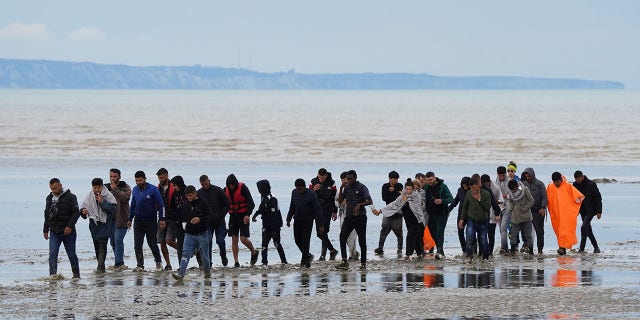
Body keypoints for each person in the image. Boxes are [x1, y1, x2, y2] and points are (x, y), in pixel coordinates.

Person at [373, 178, 424, 260]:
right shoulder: (402, 196)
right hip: (408, 219)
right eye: (407, 189)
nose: (408, 191)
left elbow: (416, 207)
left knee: (411, 236)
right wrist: (381, 210)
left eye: (410, 189)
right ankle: (420, 253)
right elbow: (394, 204)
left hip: (417, 219)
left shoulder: (417, 196)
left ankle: (408, 254)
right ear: (405, 188)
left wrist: (407, 201)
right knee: (416, 236)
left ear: (413, 189)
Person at [172, 185, 212, 280]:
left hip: (202, 233)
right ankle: (181, 274)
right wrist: (181, 224)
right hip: (189, 234)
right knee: (185, 253)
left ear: (195, 194)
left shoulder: (203, 203)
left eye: (190, 195)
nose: (189, 197)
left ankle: (207, 273)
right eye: (187, 196)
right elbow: (181, 217)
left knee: (204, 255)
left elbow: (210, 217)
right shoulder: (185, 205)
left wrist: (200, 219)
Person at [43, 178, 81, 278]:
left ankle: (76, 275)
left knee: (72, 254)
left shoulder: (71, 197)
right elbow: (46, 213)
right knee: (53, 254)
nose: (54, 191)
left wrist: (69, 226)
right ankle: (53, 276)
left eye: (55, 188)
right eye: (52, 189)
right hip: (54, 231)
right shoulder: (49, 198)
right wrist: (45, 229)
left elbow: (76, 213)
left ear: (60, 185)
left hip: (68, 232)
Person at [128, 170, 165, 272]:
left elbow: (161, 205)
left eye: (140, 180)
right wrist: (129, 219)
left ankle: (158, 262)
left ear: (145, 179)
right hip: (138, 221)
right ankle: (140, 265)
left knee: (152, 243)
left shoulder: (153, 189)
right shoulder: (135, 189)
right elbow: (133, 205)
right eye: (136, 180)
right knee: (137, 244)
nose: (138, 182)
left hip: (151, 220)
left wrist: (162, 219)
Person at [335, 170, 372, 270]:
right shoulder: (346, 188)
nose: (349, 181)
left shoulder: (362, 187)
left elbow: (369, 201)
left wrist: (359, 205)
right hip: (349, 217)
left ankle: (363, 263)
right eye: (347, 179)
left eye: (350, 179)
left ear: (355, 177)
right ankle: (344, 261)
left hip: (360, 218)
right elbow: (340, 201)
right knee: (342, 237)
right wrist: (342, 188)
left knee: (362, 240)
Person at [80, 178, 117, 273]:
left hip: (105, 224)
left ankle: (100, 267)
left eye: (99, 187)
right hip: (94, 225)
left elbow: (113, 210)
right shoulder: (90, 195)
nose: (97, 190)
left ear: (102, 186)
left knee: (102, 244)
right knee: (96, 245)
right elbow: (83, 206)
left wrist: (103, 202)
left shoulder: (108, 195)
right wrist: (83, 211)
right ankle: (101, 265)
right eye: (95, 188)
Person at [286, 178, 324, 268]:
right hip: (297, 220)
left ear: (304, 187)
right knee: (297, 240)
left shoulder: (312, 194)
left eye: (300, 189)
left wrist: (320, 225)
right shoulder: (294, 192)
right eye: (297, 189)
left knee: (306, 241)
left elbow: (318, 210)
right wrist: (288, 218)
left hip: (308, 221)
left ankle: (304, 262)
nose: (299, 191)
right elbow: (292, 206)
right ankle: (308, 256)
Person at [224, 174, 259, 267]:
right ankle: (236, 262)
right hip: (233, 216)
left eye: (233, 185)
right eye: (229, 185)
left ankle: (254, 252)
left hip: (243, 216)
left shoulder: (243, 188)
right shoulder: (225, 190)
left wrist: (248, 215)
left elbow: (251, 203)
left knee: (243, 239)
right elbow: (223, 204)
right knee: (234, 240)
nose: (231, 186)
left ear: (235, 184)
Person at [546, 172, 584, 255]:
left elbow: (580, 197)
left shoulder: (568, 186)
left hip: (566, 214)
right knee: (558, 231)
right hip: (555, 214)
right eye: (555, 182)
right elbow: (546, 199)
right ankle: (562, 247)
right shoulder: (550, 187)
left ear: (561, 179)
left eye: (558, 182)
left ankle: (562, 248)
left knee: (564, 231)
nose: (556, 184)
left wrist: (573, 206)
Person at [252, 179, 287, 266]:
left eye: (260, 189)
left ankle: (284, 261)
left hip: (274, 225)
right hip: (266, 224)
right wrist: (255, 215)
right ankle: (264, 262)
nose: (259, 191)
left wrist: (274, 229)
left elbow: (274, 214)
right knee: (264, 243)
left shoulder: (272, 199)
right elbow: (262, 207)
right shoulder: (264, 197)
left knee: (276, 243)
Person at [198, 174, 230, 266]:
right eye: (202, 185)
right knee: (208, 242)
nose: (204, 186)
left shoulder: (218, 190)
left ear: (209, 181)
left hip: (219, 221)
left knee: (220, 241)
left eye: (206, 184)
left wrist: (221, 215)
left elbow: (227, 203)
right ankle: (209, 263)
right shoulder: (199, 193)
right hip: (207, 223)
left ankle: (223, 256)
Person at [458, 178, 492, 262]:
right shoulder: (469, 194)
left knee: (483, 240)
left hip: (483, 221)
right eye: (471, 187)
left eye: (473, 187)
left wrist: (479, 199)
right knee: (469, 238)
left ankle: (485, 258)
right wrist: (462, 219)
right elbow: (465, 207)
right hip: (471, 220)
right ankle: (469, 257)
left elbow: (487, 207)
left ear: (478, 186)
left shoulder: (486, 194)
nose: (472, 189)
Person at [309, 168, 339, 261]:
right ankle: (332, 250)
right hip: (317, 210)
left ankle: (323, 255)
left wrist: (335, 211)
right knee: (319, 233)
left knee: (324, 232)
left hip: (328, 210)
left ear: (326, 175)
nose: (321, 179)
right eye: (319, 177)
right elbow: (308, 195)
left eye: (322, 177)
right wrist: (313, 190)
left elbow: (335, 198)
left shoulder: (332, 183)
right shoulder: (313, 181)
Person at [105, 168, 131, 270]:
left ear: (119, 177)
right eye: (111, 176)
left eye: (115, 176)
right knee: (112, 242)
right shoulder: (106, 187)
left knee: (118, 240)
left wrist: (115, 189)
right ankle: (120, 261)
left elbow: (125, 198)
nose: (112, 178)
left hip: (122, 218)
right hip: (110, 219)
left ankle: (118, 264)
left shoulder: (125, 186)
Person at [423, 171, 453, 259]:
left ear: (435, 178)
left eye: (430, 180)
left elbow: (451, 198)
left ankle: (439, 250)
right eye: (427, 180)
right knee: (432, 233)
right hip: (430, 214)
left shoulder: (443, 186)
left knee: (439, 232)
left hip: (441, 214)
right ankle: (440, 251)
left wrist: (442, 201)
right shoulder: (426, 186)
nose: (429, 182)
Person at [374, 170, 403, 255]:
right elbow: (385, 198)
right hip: (387, 211)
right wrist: (395, 194)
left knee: (398, 232)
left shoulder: (400, 186)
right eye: (393, 179)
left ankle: (399, 249)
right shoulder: (385, 186)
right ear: (389, 178)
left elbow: (401, 198)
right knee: (384, 229)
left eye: (396, 179)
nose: (395, 181)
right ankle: (380, 247)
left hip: (398, 212)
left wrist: (394, 191)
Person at [573, 170, 603, 253]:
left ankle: (582, 248)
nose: (577, 181)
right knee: (587, 228)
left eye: (578, 179)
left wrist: (599, 211)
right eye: (576, 179)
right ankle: (596, 248)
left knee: (583, 227)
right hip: (582, 210)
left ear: (582, 176)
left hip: (591, 210)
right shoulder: (575, 185)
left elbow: (598, 198)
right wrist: (575, 211)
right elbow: (574, 198)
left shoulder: (591, 184)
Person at [522, 167, 548, 255]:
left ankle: (540, 250)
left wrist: (543, 207)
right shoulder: (525, 184)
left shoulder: (540, 184)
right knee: (526, 230)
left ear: (532, 175)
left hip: (539, 210)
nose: (528, 178)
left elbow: (545, 197)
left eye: (529, 176)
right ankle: (529, 248)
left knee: (539, 230)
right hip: (528, 210)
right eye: (526, 176)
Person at [506, 180, 534, 255]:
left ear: (517, 186)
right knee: (513, 235)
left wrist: (524, 208)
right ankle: (512, 251)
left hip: (526, 216)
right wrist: (511, 206)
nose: (513, 191)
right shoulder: (510, 193)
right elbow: (510, 204)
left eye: (514, 189)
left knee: (528, 235)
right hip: (515, 217)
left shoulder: (525, 189)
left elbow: (531, 201)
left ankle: (531, 251)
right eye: (512, 190)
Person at [156, 168, 176, 271]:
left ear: (167, 176)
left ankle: (187, 251)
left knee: (169, 241)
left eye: (162, 178)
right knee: (162, 242)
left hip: (172, 218)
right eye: (159, 178)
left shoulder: (174, 186)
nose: (160, 180)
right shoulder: (158, 188)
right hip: (161, 218)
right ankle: (168, 264)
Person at [335, 171, 359, 261]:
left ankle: (352, 254)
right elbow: (336, 201)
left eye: (345, 180)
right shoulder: (340, 188)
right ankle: (354, 253)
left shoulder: (356, 188)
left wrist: (348, 201)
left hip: (354, 215)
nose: (344, 182)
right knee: (344, 236)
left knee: (352, 236)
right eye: (342, 181)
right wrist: (340, 203)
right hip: (342, 215)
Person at [481, 174, 503, 257]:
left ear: (489, 182)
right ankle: (483, 251)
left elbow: (499, 201)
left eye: (486, 184)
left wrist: (497, 213)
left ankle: (490, 251)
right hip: (484, 215)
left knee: (491, 234)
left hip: (493, 215)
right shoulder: (482, 188)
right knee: (483, 234)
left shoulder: (495, 188)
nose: (485, 185)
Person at [448, 177, 470, 254]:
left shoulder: (472, 191)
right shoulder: (460, 190)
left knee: (470, 233)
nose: (465, 188)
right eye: (463, 186)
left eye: (466, 186)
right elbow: (455, 201)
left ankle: (471, 249)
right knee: (460, 232)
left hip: (470, 214)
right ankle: (464, 250)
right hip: (461, 214)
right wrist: (448, 210)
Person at [494, 166, 511, 254]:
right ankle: (506, 247)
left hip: (508, 207)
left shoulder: (510, 182)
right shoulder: (495, 181)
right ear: (497, 174)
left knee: (504, 227)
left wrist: (506, 196)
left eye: (503, 176)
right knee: (501, 229)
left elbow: (514, 195)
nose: (501, 178)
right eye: (499, 176)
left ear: (505, 174)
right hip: (498, 208)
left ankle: (504, 248)